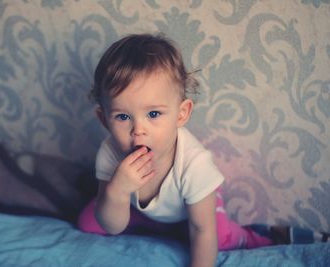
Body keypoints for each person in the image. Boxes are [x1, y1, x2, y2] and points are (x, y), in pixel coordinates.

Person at [77, 33, 329, 267]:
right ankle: (161, 226)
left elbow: (202, 231)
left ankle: (262, 235)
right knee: (89, 222)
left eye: (153, 113)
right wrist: (118, 191)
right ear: (104, 120)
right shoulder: (110, 153)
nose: (138, 130)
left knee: (219, 236)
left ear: (181, 113)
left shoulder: (195, 164)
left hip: (197, 206)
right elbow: (113, 227)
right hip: (148, 210)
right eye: (122, 117)